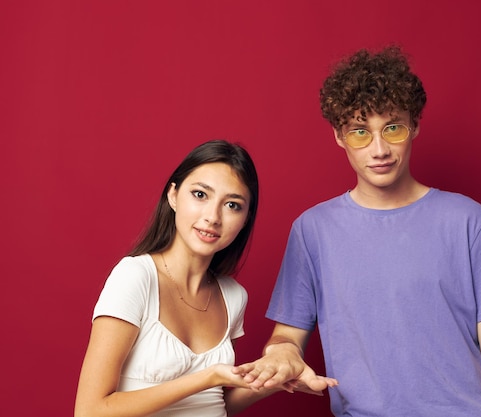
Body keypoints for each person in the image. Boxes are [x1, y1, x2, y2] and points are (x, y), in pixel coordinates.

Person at [232, 47, 481, 416]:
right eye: (360, 132)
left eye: (393, 128)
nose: (379, 150)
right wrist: (281, 352)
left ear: (415, 125)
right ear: (339, 137)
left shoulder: (468, 221)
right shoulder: (313, 231)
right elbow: (287, 335)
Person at [75, 140, 335, 417]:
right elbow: (90, 411)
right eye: (200, 195)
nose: (212, 217)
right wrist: (208, 377)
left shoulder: (233, 296)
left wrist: (274, 381)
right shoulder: (135, 277)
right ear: (173, 196)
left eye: (233, 205)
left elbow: (217, 404)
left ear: (246, 218)